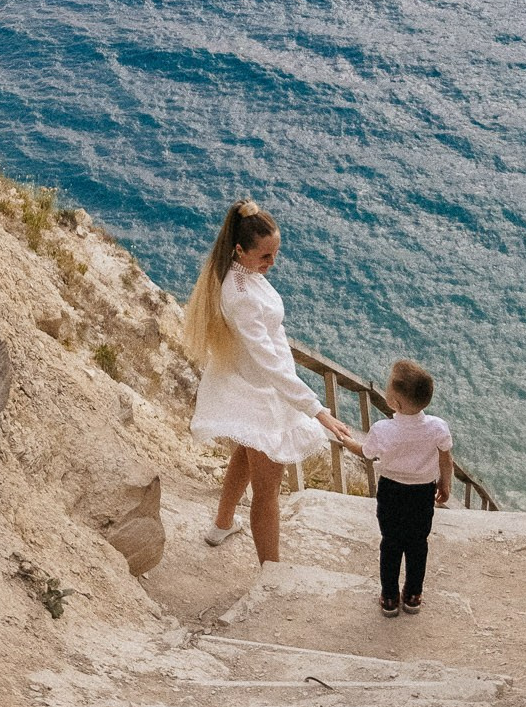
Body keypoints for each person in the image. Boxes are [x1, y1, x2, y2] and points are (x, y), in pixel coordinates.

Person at [184, 199, 351, 564]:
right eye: (265, 256)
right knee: (267, 491)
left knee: (245, 455)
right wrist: (317, 411)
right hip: (262, 393)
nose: (271, 264)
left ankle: (222, 525)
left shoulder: (241, 272)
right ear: (239, 249)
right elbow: (270, 364)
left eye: (275, 254)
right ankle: (270, 571)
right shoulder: (240, 295)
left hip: (256, 385)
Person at [344, 359, 453, 617]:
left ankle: (390, 597)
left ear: (395, 403)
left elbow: (366, 452)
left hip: (391, 492)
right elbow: (446, 457)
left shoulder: (383, 429)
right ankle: (413, 595)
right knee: (418, 544)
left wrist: (347, 440)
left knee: (391, 544)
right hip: (422, 493)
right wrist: (445, 481)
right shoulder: (437, 427)